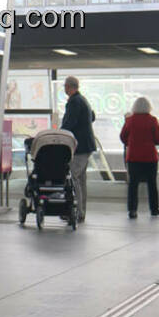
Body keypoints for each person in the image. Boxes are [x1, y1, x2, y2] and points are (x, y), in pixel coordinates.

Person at [120, 98, 159, 218]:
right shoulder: (152, 120)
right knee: (152, 184)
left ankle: (132, 210)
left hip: (133, 157)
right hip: (150, 157)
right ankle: (154, 209)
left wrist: (130, 143)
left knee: (133, 185)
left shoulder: (130, 120)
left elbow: (123, 136)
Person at [60, 76, 95, 221]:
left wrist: (59, 135)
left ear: (69, 87)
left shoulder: (74, 102)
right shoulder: (83, 100)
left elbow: (70, 123)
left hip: (79, 147)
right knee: (81, 179)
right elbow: (92, 116)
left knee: (73, 177)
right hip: (87, 145)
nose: (64, 89)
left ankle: (76, 212)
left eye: (65, 86)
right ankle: (81, 211)